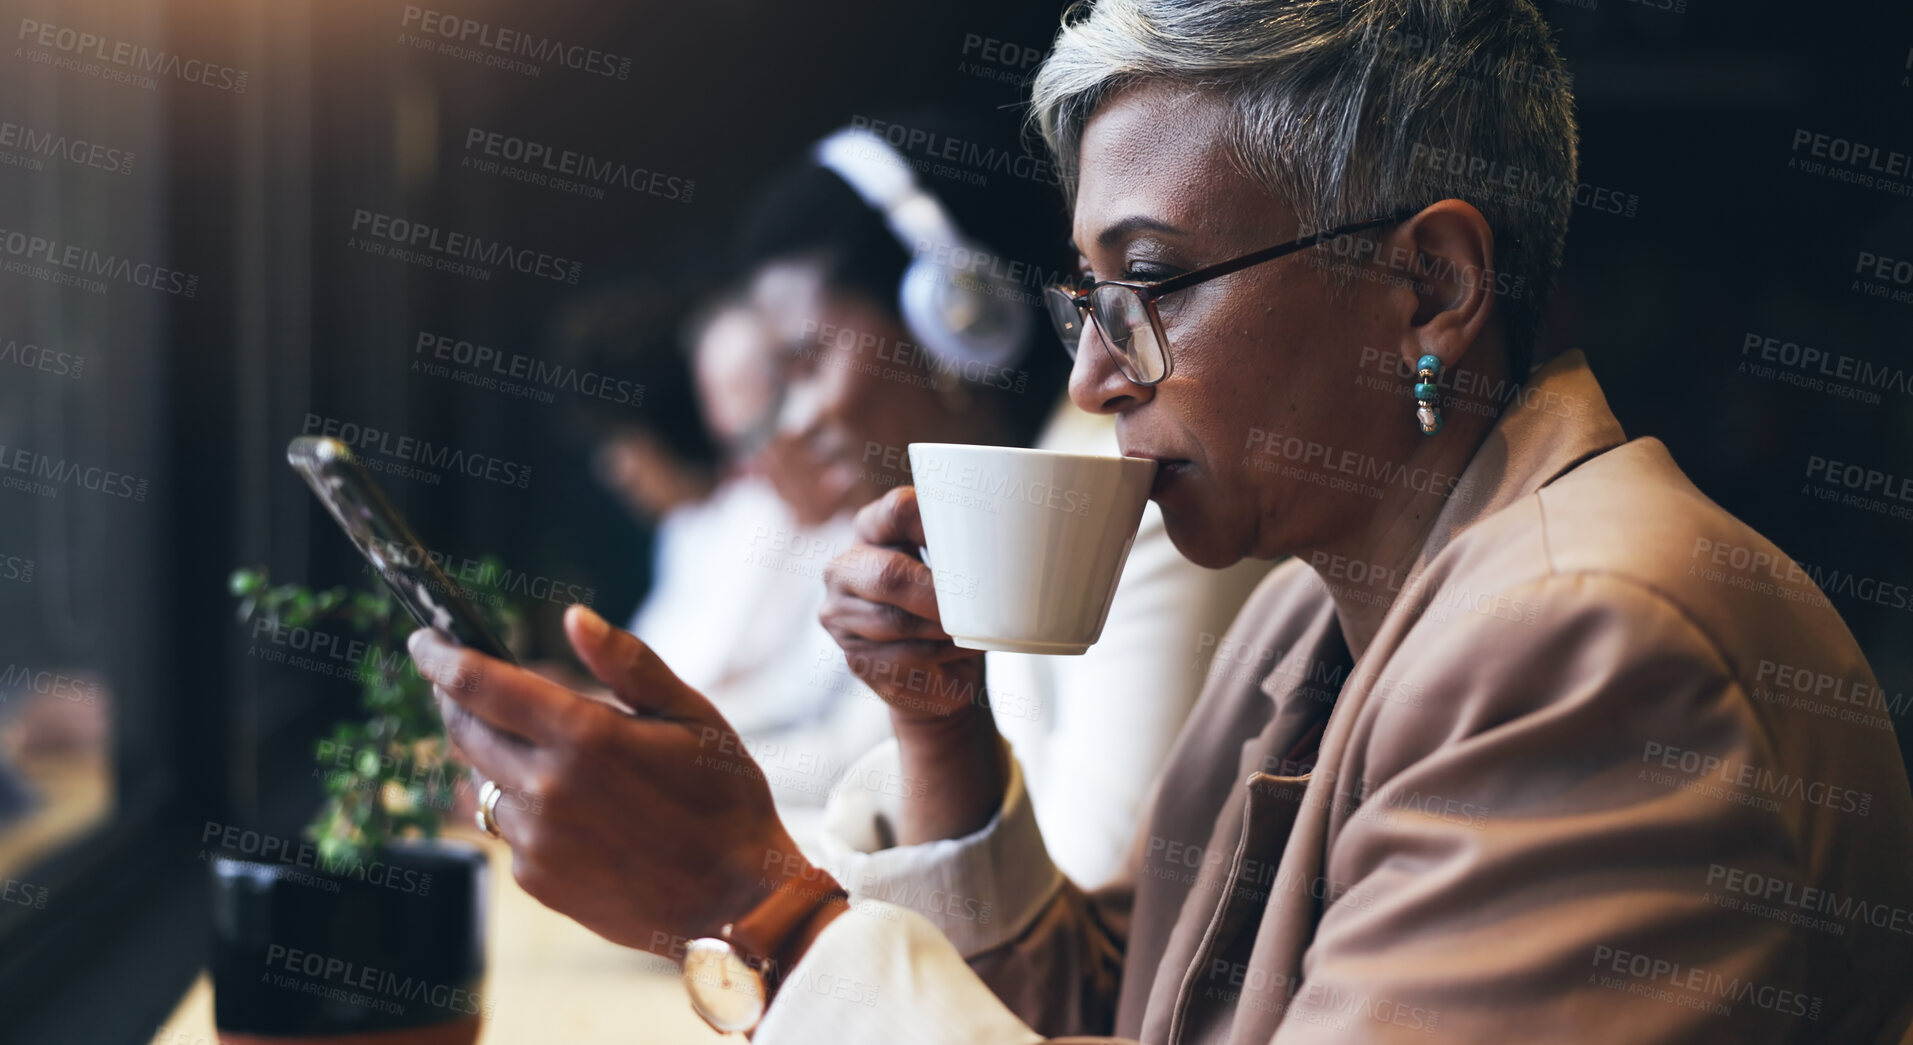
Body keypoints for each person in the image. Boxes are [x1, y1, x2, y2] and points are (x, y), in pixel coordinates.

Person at [406, 1, 1913, 1041]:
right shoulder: (1305, 607)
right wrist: (944, 731)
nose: (1086, 372)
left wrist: (757, 906)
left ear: (1431, 287)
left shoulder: (1595, 646)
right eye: (1085, 296)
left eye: (1155, 284)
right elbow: (1135, 1011)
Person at [731, 119, 1271, 886]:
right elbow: (870, 777)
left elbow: (1083, 890)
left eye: (808, 360)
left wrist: (726, 860)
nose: (793, 419)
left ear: (957, 316)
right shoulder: (998, 492)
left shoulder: (1121, 494)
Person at [548, 279, 889, 848]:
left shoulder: (839, 529)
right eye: (732, 444)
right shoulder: (753, 519)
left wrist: (639, 756)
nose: (746, 474)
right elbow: (745, 699)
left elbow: (844, 762)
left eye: (753, 433)